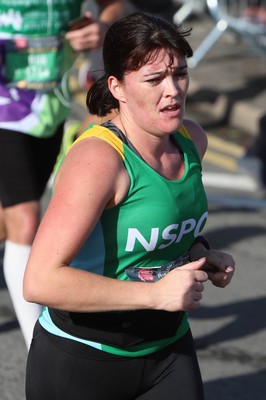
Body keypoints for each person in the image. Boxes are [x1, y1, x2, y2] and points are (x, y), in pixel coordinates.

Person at [24, 12, 235, 400]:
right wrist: (157, 295)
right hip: (85, 360)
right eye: (154, 80)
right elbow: (40, 281)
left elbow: (155, 234)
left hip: (168, 350)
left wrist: (200, 252)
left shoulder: (193, 141)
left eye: (180, 74)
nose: (172, 90)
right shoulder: (100, 161)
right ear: (117, 87)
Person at [0, 0, 124, 349]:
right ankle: (38, 350)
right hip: (3, 106)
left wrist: (101, 26)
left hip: (49, 106)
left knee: (9, 219)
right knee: (25, 220)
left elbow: (111, 5)